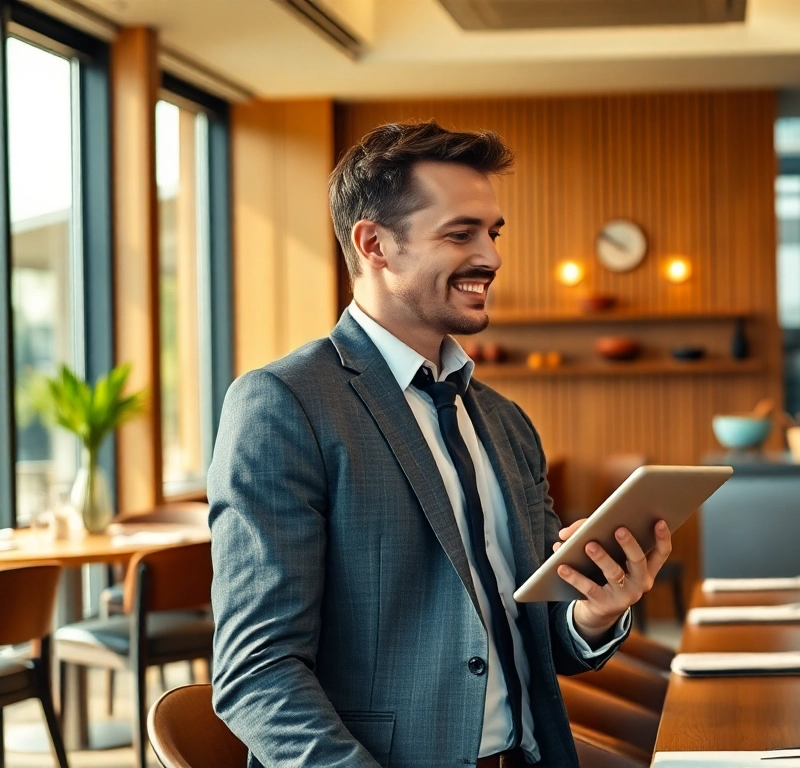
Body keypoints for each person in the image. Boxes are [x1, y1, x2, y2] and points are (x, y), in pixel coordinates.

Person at [208, 122, 672, 768]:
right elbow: (256, 673)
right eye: (460, 234)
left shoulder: (506, 422)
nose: (491, 256)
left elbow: (542, 638)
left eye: (493, 232)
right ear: (374, 244)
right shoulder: (284, 405)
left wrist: (595, 614)